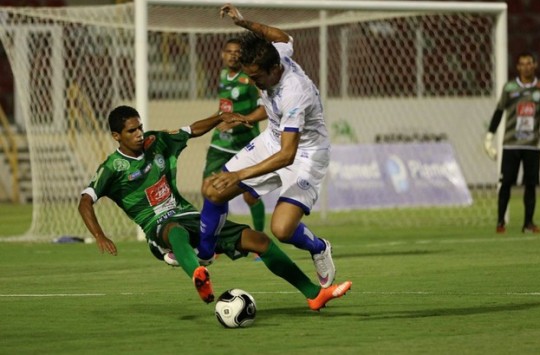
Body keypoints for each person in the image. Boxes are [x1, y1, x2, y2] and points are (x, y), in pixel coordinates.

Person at [78, 106, 352, 311]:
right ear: (116, 136)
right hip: (157, 227)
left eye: (139, 127)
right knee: (173, 230)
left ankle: (314, 294)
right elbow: (85, 200)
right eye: (131, 131)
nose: (138, 134)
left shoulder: (155, 141)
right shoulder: (112, 167)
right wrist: (100, 234)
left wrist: (219, 117)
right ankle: (198, 272)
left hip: (190, 216)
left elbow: (191, 129)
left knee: (259, 241)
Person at [197, 3, 337, 289]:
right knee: (212, 189)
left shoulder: (294, 92)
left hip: (305, 154)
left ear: (275, 70)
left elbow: (287, 154)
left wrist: (239, 175)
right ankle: (206, 252)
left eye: (257, 77)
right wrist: (244, 23)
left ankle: (319, 247)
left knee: (282, 230)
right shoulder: (277, 54)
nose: (253, 81)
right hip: (273, 139)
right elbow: (281, 36)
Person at [483, 52, 540, 234]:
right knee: (506, 183)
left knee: (530, 184)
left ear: (535, 65)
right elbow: (499, 112)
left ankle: (528, 224)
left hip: (532, 145)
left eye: (529, 63)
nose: (526, 67)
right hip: (511, 144)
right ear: (517, 67)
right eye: (522, 64)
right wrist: (489, 136)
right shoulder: (510, 88)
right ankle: (500, 223)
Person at [204, 38, 267, 234]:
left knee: (250, 196)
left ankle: (259, 238)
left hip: (246, 144)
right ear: (222, 54)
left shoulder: (251, 77)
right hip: (220, 144)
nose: (233, 55)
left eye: (237, 51)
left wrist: (242, 119)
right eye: (229, 51)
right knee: (209, 190)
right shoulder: (223, 74)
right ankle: (214, 241)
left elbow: (265, 110)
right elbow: (225, 107)